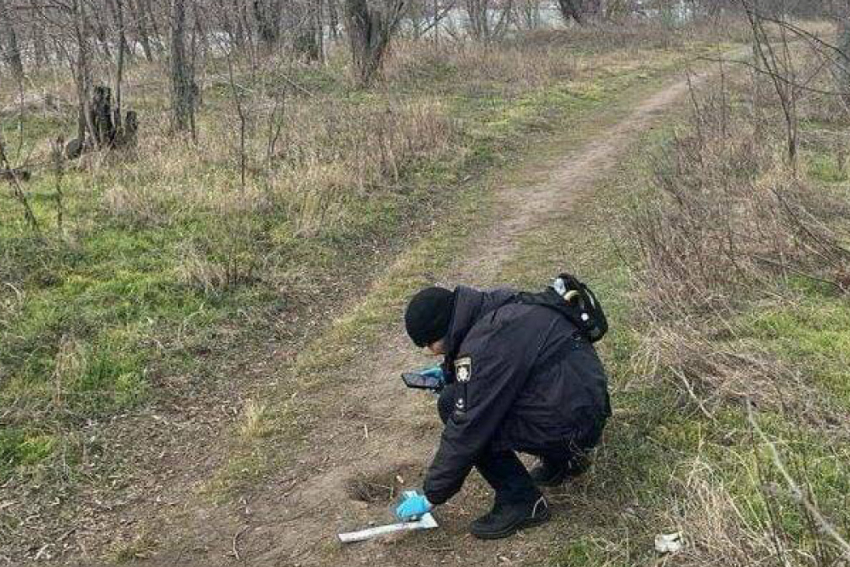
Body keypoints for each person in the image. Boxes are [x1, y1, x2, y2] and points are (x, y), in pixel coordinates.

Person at [395, 285, 611, 539]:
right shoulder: (497, 305)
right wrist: (449, 374)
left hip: (571, 425)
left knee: (453, 405)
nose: (431, 351)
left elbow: (467, 429)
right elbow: (510, 365)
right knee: (472, 396)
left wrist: (431, 496)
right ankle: (565, 461)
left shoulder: (484, 345)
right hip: (585, 407)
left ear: (442, 331)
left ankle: (522, 502)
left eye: (429, 344)